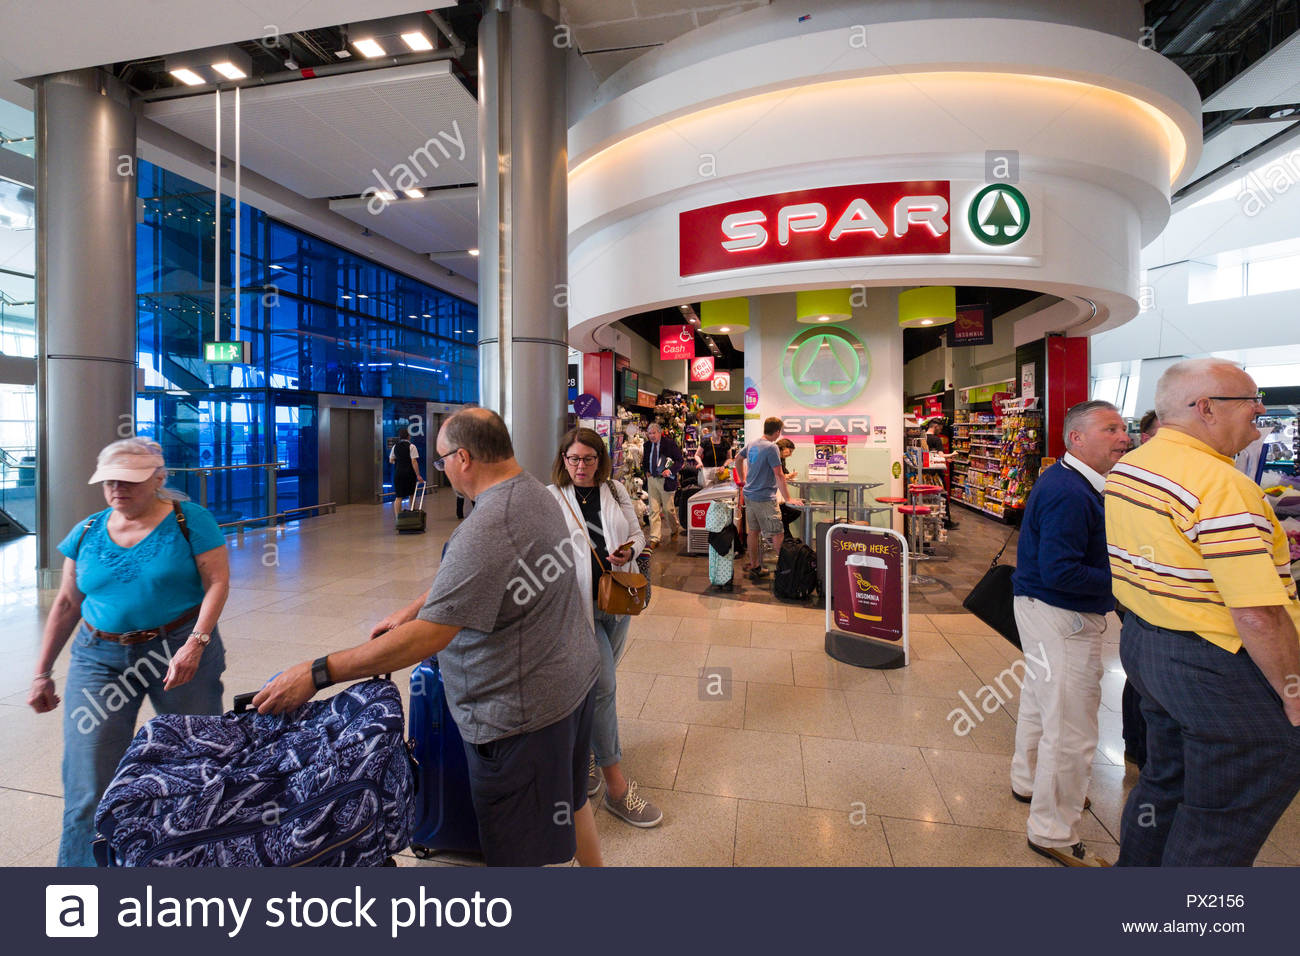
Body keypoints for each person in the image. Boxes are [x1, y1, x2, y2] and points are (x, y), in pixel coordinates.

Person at [253, 408, 604, 867]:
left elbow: (427, 639)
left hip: (523, 717)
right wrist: (417, 605)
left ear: (463, 458)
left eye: (441, 462)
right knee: (574, 802)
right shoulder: (536, 493)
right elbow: (484, 579)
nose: (441, 470)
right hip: (572, 687)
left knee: (518, 852)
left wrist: (319, 672)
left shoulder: (487, 527)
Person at [1105, 359, 1300, 867]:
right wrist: (1294, 691)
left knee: (1163, 784)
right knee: (1222, 818)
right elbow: (1258, 613)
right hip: (1217, 665)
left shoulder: (1132, 465)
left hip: (1149, 646)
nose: (1261, 409)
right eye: (1250, 399)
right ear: (1206, 408)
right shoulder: (1221, 485)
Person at [28, 438, 229, 867]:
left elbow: (217, 583)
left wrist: (196, 643)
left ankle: (197, 865)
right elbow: (66, 603)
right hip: (99, 656)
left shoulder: (189, 520)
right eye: (110, 480)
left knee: (197, 765)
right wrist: (41, 672)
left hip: (177, 647)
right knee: (89, 781)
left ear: (158, 479)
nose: (118, 488)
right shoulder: (85, 531)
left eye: (130, 480)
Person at [1010, 400, 1129, 867]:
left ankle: (1029, 780)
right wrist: (1128, 578)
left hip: (1044, 612)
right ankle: (1053, 830)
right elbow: (1062, 572)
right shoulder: (1071, 492)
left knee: (1041, 702)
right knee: (1072, 727)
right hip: (1063, 618)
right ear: (1076, 438)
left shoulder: (1070, 481)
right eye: (1110, 429)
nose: (1123, 437)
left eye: (1122, 428)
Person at [548, 428, 663, 828]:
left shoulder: (614, 490)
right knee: (603, 687)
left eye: (588, 459)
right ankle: (618, 789)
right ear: (562, 459)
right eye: (573, 459)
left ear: (601, 460)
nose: (581, 467)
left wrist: (629, 549)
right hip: (576, 606)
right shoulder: (551, 498)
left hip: (616, 598)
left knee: (595, 689)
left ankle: (587, 755)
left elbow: (637, 532)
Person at [1121, 409, 1162, 768]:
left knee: (1140, 673)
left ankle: (1137, 743)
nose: (1121, 437)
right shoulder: (1136, 473)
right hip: (1139, 590)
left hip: (1139, 590)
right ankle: (1139, 742)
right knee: (1142, 673)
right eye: (1111, 429)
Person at [741, 417, 800, 580]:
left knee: (753, 532)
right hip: (765, 498)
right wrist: (788, 498)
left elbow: (738, 459)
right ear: (777, 431)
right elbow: (779, 475)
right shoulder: (771, 447)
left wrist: (741, 479)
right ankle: (786, 572)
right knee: (777, 533)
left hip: (749, 495)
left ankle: (755, 566)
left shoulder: (753, 443)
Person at [643, 422, 684, 548]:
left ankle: (674, 528)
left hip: (666, 480)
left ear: (659, 433)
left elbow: (680, 460)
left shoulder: (669, 444)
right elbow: (645, 459)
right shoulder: (647, 445)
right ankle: (655, 538)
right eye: (649, 433)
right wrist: (646, 471)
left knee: (668, 510)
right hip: (652, 480)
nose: (652, 436)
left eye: (654, 433)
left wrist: (670, 470)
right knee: (653, 509)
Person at [388, 427, 423, 519]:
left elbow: (391, 460)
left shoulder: (395, 446)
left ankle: (398, 518)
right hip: (409, 473)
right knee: (411, 494)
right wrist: (418, 475)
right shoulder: (412, 446)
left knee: (399, 496)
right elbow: (414, 461)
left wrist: (399, 462)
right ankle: (412, 515)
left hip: (398, 473)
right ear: (408, 436)